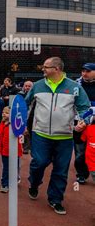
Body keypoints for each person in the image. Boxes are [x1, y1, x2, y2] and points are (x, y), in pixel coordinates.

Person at [25, 57, 91, 215]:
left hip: (65, 137)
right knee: (38, 163)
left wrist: (84, 121)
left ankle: (55, 199)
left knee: (61, 170)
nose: (43, 70)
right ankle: (34, 183)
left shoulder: (74, 87)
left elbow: (85, 108)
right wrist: (20, 125)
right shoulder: (38, 86)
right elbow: (24, 104)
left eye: (46, 67)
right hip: (40, 134)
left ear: (57, 69)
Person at [73, 63, 95, 184]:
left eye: (88, 71)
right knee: (80, 150)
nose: (84, 73)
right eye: (83, 71)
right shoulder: (76, 85)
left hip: (94, 123)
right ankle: (81, 174)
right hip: (79, 122)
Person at [0, 107, 22, 193]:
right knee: (6, 168)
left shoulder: (16, 124)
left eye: (6, 113)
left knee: (15, 167)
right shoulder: (2, 123)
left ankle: (15, 178)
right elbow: (0, 135)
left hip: (15, 151)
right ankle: (4, 184)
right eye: (3, 112)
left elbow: (21, 135)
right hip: (5, 151)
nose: (3, 114)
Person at [18, 81, 33, 154]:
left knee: (29, 131)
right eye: (26, 86)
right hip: (22, 114)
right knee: (22, 131)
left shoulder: (34, 95)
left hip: (31, 115)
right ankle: (22, 146)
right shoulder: (20, 94)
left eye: (29, 86)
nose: (27, 87)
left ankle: (28, 147)